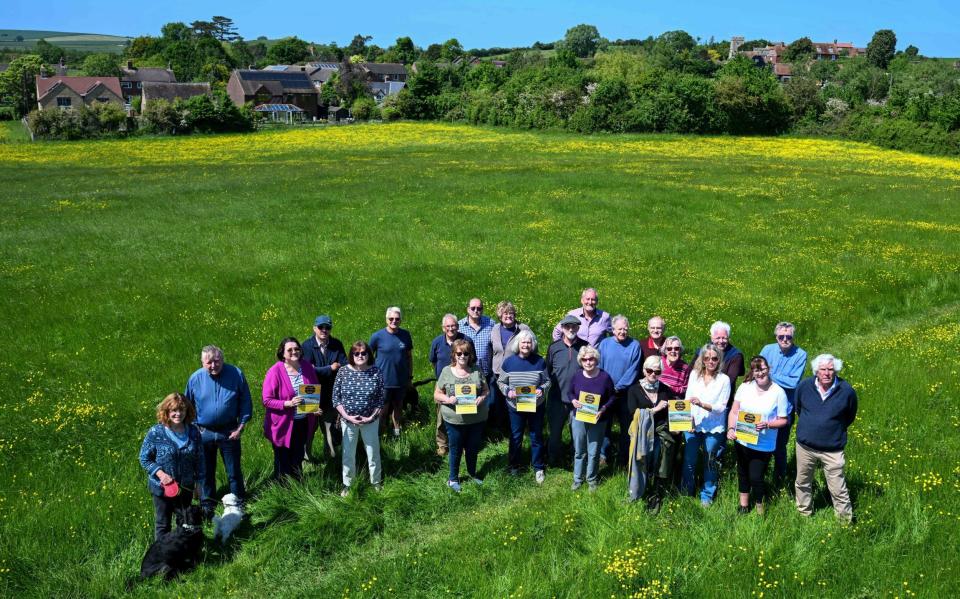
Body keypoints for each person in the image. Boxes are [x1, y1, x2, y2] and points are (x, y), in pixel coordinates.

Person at [184, 345, 252, 520]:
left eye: (217, 361)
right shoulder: (195, 379)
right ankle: (208, 505)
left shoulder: (235, 374)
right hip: (203, 432)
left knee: (233, 470)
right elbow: (187, 405)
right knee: (205, 471)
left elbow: (245, 400)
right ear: (202, 362)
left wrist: (241, 426)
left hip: (229, 431)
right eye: (209, 362)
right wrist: (192, 429)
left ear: (222, 359)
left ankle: (238, 502)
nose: (213, 365)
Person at [794, 354, 857, 523]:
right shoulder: (804, 386)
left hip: (833, 448)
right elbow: (798, 408)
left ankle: (844, 521)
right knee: (802, 481)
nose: (827, 373)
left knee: (838, 487)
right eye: (823, 369)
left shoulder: (847, 391)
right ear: (816, 371)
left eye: (830, 369)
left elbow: (850, 416)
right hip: (805, 446)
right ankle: (804, 513)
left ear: (835, 370)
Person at [726, 356, 788, 515]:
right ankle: (743, 506)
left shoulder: (778, 392)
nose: (760, 373)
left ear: (769, 369)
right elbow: (734, 411)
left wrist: (767, 424)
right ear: (752, 372)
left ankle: (760, 508)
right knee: (743, 472)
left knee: (756, 476)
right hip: (742, 439)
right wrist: (731, 428)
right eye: (756, 370)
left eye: (763, 369)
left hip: (764, 443)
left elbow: (783, 420)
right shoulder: (745, 387)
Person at [139, 393, 205, 540]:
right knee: (163, 524)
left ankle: (182, 554)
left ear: (187, 411)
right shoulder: (156, 432)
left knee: (184, 522)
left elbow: (200, 459)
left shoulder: (194, 431)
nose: (178, 414)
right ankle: (161, 559)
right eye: (174, 410)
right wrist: (161, 474)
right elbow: (144, 458)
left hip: (186, 488)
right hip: (162, 489)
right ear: (166, 412)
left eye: (182, 409)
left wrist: (199, 483)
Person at [262, 337, 321, 481]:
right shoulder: (275, 371)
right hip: (282, 425)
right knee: (283, 461)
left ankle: (297, 490)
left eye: (297, 349)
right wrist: (287, 404)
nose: (294, 352)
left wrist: (312, 408)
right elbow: (267, 400)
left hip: (302, 422)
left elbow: (312, 391)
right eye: (290, 350)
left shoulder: (306, 367)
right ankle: (281, 492)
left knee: (297, 457)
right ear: (283, 353)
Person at [434, 339, 489, 492]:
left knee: (472, 448)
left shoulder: (477, 370)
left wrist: (481, 398)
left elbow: (486, 390)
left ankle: (472, 474)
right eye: (459, 353)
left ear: (470, 355)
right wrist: (448, 399)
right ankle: (453, 479)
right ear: (454, 355)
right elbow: (437, 394)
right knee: (455, 448)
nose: (462, 356)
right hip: (454, 420)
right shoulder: (446, 371)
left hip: (476, 419)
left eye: (466, 353)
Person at [626, 356, 679, 511]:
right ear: (644, 370)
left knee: (658, 466)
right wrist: (656, 409)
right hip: (642, 434)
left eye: (657, 371)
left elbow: (673, 413)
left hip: (661, 434)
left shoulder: (665, 390)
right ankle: (640, 493)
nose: (653, 374)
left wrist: (679, 426)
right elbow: (633, 413)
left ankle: (655, 496)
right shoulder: (634, 390)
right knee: (642, 464)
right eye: (649, 371)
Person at [333, 340, 385, 496]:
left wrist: (372, 416)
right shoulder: (343, 371)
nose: (360, 356)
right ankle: (348, 485)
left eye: (364, 353)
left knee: (373, 453)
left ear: (369, 354)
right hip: (348, 421)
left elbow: (380, 399)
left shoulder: (376, 372)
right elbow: (336, 398)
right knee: (348, 454)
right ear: (351, 355)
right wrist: (347, 416)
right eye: (356, 353)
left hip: (370, 421)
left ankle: (376, 482)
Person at [498, 330, 551, 483]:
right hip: (515, 406)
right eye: (523, 342)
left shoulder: (540, 361)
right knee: (516, 436)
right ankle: (514, 466)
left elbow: (547, 381)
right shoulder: (509, 362)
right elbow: (501, 382)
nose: (526, 345)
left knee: (536, 436)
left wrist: (542, 389)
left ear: (532, 344)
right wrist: (508, 392)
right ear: (518, 344)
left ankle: (538, 468)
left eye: (529, 342)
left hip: (536, 405)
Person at [681, 343, 731, 506]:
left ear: (719, 360)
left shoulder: (724, 380)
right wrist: (688, 420)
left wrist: (702, 404)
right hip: (693, 425)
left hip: (713, 427)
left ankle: (707, 496)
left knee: (710, 461)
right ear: (702, 359)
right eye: (707, 358)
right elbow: (687, 399)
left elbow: (721, 408)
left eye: (714, 358)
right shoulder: (694, 375)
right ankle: (686, 492)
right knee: (689, 459)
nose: (710, 361)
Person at [759, 322, 808, 484]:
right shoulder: (767, 349)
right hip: (763, 405)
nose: (785, 339)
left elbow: (793, 382)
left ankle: (778, 482)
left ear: (793, 338)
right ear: (776, 337)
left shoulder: (800, 354)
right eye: (781, 336)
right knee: (760, 443)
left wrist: (770, 373)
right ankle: (760, 477)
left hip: (783, 409)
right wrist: (766, 374)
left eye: (789, 337)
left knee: (780, 447)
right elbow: (757, 372)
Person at [566, 345, 615, 492]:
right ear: (581, 361)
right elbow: (569, 392)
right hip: (579, 418)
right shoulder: (577, 375)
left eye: (591, 359)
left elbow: (612, 397)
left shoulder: (604, 377)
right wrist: (573, 400)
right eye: (584, 359)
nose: (588, 362)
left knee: (593, 451)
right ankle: (577, 479)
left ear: (596, 359)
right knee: (579, 450)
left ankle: (592, 479)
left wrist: (603, 409)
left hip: (598, 419)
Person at [301, 315, 347, 461]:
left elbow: (344, 365)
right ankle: (306, 459)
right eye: (321, 327)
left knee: (329, 427)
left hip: (331, 391)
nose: (324, 330)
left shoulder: (337, 344)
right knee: (308, 429)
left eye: (327, 327)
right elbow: (307, 369)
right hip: (309, 390)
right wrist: (330, 368)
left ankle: (331, 459)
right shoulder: (306, 346)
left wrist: (320, 369)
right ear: (314, 328)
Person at [597, 315, 641, 466]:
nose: (622, 331)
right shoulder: (604, 344)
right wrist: (605, 387)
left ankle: (624, 457)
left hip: (625, 394)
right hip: (606, 394)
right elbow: (599, 366)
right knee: (604, 425)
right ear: (613, 330)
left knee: (626, 426)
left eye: (625, 329)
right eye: (619, 329)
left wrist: (618, 387)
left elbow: (634, 370)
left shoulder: (634, 345)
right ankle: (603, 456)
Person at [545, 315, 587, 465]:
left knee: (578, 434)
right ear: (562, 328)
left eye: (574, 326)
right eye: (567, 326)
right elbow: (547, 371)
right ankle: (553, 459)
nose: (571, 329)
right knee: (555, 433)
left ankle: (577, 460)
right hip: (557, 398)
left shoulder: (584, 346)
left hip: (578, 399)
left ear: (578, 328)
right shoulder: (554, 347)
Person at [369, 306, 413, 438]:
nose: (394, 321)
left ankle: (396, 433)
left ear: (401, 320)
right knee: (382, 410)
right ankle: (381, 435)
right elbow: (368, 356)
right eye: (391, 318)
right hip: (383, 381)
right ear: (386, 319)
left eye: (397, 319)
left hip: (401, 380)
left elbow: (409, 357)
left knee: (398, 407)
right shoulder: (377, 336)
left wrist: (410, 377)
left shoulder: (405, 335)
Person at [490, 301, 531, 433]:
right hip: (497, 372)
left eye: (511, 313)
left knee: (516, 402)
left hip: (516, 373)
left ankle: (519, 429)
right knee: (498, 403)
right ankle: (501, 431)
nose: (508, 316)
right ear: (500, 315)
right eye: (505, 313)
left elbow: (532, 347)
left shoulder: (523, 329)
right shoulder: (495, 329)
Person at [428, 314, 464, 457]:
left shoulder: (465, 340)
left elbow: (471, 359)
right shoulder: (437, 342)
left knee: (463, 416)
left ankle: (463, 444)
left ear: (458, 326)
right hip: (442, 385)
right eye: (448, 326)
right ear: (443, 328)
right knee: (441, 417)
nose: (451, 328)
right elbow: (433, 361)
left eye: (453, 325)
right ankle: (442, 445)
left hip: (462, 383)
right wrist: (441, 378)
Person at [458, 297, 495, 397]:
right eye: (473, 308)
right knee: (468, 403)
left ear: (482, 310)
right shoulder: (459, 326)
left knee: (488, 404)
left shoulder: (490, 323)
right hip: (466, 373)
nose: (476, 311)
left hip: (486, 373)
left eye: (479, 308)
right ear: (467, 309)